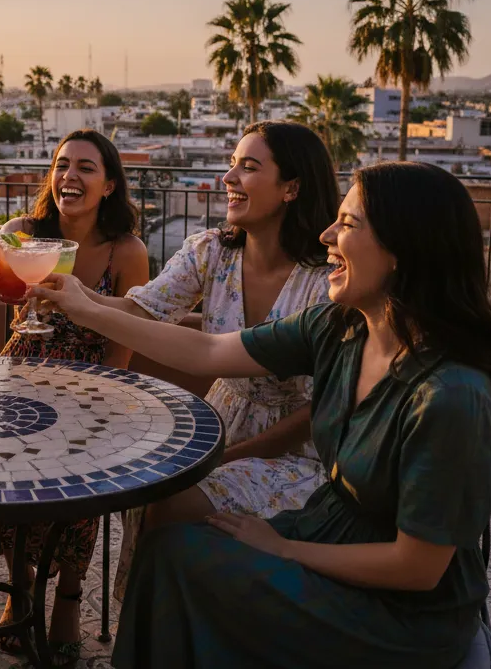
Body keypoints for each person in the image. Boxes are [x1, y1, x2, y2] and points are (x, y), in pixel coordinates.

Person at [35, 161, 491, 669]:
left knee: (186, 563)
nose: (328, 233)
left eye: (348, 224)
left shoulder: (451, 397)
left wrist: (284, 549)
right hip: (327, 531)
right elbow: (208, 352)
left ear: (403, 250)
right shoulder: (340, 327)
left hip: (400, 617)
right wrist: (86, 310)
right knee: (167, 550)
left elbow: (416, 569)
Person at [108, 121, 341, 599]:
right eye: (232, 164)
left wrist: (224, 458)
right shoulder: (211, 251)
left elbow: (319, 411)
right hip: (222, 416)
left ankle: (171, 621)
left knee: (170, 501)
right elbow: (139, 308)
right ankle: (155, 623)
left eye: (248, 167)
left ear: (292, 187)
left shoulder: (325, 283)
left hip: (300, 448)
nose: (228, 178)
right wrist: (66, 292)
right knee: (148, 489)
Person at [0, 129, 149, 666]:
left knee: (79, 494)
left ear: (109, 185)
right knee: (9, 483)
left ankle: (68, 597)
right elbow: (7, 296)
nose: (70, 175)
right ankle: (19, 588)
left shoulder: (127, 251)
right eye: (62, 164)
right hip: (24, 365)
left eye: (87, 168)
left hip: (93, 376)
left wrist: (107, 399)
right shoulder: (21, 232)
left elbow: (128, 334)